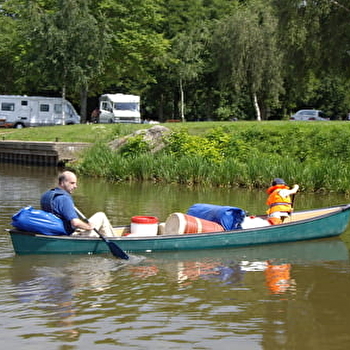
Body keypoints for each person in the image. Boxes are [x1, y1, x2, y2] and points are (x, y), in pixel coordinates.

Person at [41, 171, 118, 237]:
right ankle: (115, 240)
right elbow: (75, 223)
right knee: (101, 216)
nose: (75, 186)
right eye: (72, 183)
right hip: (69, 235)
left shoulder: (47, 195)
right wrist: (88, 227)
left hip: (55, 231)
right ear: (62, 183)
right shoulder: (64, 199)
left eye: (75, 183)